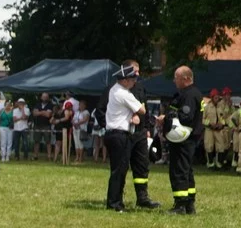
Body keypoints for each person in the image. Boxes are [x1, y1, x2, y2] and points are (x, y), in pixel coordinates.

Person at [102, 63, 153, 212]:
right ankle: (115, 203)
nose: (134, 82)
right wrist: (135, 113)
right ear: (124, 80)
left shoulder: (113, 90)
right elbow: (142, 109)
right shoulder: (124, 93)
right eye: (132, 79)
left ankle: (116, 201)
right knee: (120, 171)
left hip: (112, 133)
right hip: (120, 135)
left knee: (117, 170)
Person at [161, 66, 203, 215]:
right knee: (187, 170)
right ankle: (189, 204)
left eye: (176, 77)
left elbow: (186, 117)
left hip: (184, 139)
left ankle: (180, 206)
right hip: (190, 138)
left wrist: (166, 118)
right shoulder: (192, 93)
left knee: (179, 170)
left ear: (186, 78)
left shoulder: (189, 95)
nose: (174, 80)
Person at [203, 89, 228, 169]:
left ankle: (219, 163)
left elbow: (223, 118)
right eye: (216, 98)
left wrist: (222, 124)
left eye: (218, 98)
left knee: (221, 146)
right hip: (209, 129)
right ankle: (210, 163)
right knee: (209, 146)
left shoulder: (220, 107)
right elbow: (203, 119)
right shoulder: (207, 107)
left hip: (219, 130)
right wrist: (210, 124)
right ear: (212, 97)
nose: (217, 99)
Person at [32, 92, 54, 160]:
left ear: (48, 98)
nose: (45, 98)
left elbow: (48, 115)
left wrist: (39, 112)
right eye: (43, 97)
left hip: (46, 125)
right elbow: (34, 114)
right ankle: (35, 156)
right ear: (41, 97)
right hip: (37, 125)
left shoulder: (50, 105)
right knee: (36, 141)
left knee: (48, 141)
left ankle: (49, 156)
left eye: (46, 97)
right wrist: (44, 112)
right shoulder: (37, 104)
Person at [72, 99, 90, 164]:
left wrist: (77, 123)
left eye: (82, 105)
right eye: (80, 105)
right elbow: (73, 119)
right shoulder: (77, 112)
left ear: (85, 106)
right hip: (75, 129)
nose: (81, 106)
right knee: (76, 143)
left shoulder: (86, 112)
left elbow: (85, 120)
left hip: (81, 129)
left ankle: (80, 157)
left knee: (80, 144)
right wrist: (74, 123)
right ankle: (77, 157)